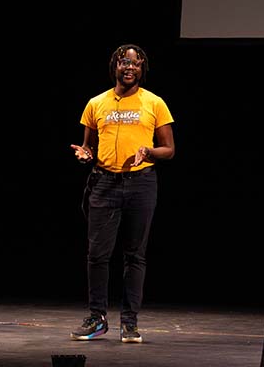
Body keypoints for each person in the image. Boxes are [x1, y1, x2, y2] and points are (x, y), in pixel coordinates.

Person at [69, 44, 175, 344]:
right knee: (97, 255)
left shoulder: (154, 103)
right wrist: (84, 155)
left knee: (135, 255)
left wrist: (149, 150)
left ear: (142, 69)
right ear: (114, 66)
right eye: (124, 62)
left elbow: (169, 149)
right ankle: (97, 318)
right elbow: (87, 147)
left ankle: (129, 322)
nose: (129, 68)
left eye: (136, 64)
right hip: (104, 183)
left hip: (141, 183)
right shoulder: (96, 103)